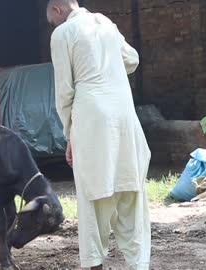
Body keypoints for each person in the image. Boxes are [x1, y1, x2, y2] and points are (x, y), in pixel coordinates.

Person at [46, 0, 152, 269]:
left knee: (93, 198)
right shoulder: (105, 22)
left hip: (91, 117)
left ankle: (95, 263)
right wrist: (108, 67)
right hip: (124, 117)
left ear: (57, 10)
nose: (52, 24)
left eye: (51, 19)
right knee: (131, 194)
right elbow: (133, 59)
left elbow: (64, 91)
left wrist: (69, 133)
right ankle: (139, 264)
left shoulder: (62, 34)